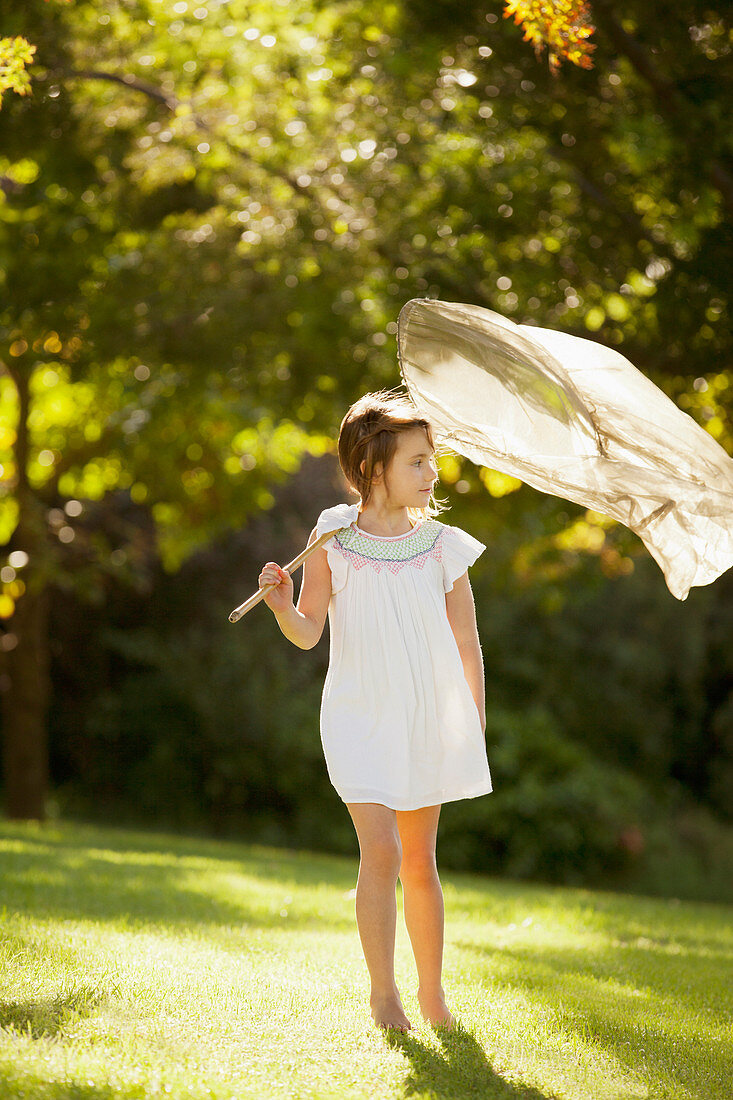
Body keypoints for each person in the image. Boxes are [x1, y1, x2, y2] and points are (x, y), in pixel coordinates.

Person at [258, 389, 492, 1033]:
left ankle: (433, 994)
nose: (431, 472)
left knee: (420, 860)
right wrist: (281, 605)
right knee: (381, 850)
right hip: (359, 714)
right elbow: (309, 630)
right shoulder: (332, 533)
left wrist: (471, 720)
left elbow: (468, 643)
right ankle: (383, 995)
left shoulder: (445, 545)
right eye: (417, 461)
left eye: (431, 459)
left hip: (424, 720)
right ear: (372, 468)